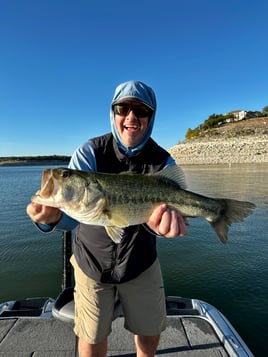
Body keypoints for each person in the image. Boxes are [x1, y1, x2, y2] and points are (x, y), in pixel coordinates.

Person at [27, 80, 187, 357]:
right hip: (92, 264)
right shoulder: (89, 152)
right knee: (91, 335)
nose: (131, 117)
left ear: (152, 117)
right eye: (122, 108)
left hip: (141, 263)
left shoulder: (163, 162)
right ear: (113, 113)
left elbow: (168, 217)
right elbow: (73, 217)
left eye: (141, 110)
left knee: (149, 331)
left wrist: (163, 228)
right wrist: (49, 220)